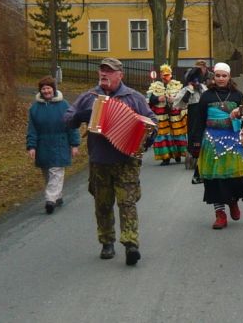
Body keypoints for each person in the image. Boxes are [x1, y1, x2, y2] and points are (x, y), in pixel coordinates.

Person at [64, 58, 157, 266]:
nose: (104, 74)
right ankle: (107, 242)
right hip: (100, 160)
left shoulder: (134, 97)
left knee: (127, 202)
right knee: (103, 204)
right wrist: (82, 115)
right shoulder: (89, 97)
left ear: (120, 75)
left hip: (127, 160)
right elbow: (68, 118)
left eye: (110, 71)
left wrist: (148, 135)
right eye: (102, 70)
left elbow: (153, 121)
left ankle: (131, 244)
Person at [190, 62, 243, 229]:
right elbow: (199, 120)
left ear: (229, 77)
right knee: (214, 180)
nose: (221, 78)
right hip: (211, 143)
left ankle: (233, 202)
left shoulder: (237, 95)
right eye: (218, 76)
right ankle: (220, 214)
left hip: (232, 143)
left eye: (224, 76)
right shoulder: (206, 96)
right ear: (213, 77)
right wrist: (195, 142)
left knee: (233, 178)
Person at [26, 76, 80, 214]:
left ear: (53, 89)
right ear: (40, 90)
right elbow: (32, 130)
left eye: (48, 88)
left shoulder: (64, 105)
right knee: (47, 174)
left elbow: (72, 126)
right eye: (43, 88)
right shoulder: (35, 109)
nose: (46, 91)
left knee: (56, 171)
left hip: (60, 143)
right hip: (43, 145)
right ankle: (58, 195)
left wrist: (74, 144)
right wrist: (31, 146)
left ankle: (50, 200)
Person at [147, 64, 188, 165]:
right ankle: (166, 158)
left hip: (175, 116)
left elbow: (183, 100)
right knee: (163, 136)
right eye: (163, 75)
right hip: (161, 116)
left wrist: (174, 100)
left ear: (171, 75)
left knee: (177, 134)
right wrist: (157, 99)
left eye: (167, 75)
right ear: (160, 75)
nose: (165, 77)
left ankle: (178, 154)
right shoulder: (155, 86)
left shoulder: (177, 85)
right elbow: (150, 100)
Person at [175, 66, 208, 184]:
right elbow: (178, 104)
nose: (196, 82)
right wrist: (189, 90)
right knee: (194, 137)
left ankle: (204, 163)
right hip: (193, 115)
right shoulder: (186, 89)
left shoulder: (203, 88)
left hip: (204, 114)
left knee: (205, 136)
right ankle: (195, 160)